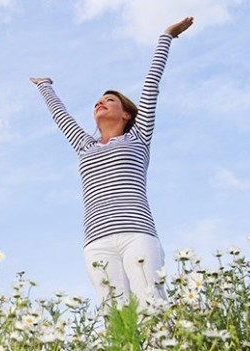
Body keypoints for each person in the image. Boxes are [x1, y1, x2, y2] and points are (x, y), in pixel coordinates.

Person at [30, 17, 194, 307]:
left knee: (151, 303)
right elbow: (60, 115)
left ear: (126, 114)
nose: (100, 103)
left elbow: (151, 85)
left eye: (109, 100)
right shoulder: (85, 145)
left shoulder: (139, 137)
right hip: (97, 240)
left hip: (137, 233)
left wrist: (166, 36)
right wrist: (45, 85)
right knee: (113, 312)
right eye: (97, 102)